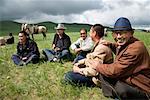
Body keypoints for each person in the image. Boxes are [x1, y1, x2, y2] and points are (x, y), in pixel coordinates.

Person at [87, 17, 150, 99]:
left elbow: (114, 71)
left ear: (131, 33)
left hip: (141, 87)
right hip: (129, 79)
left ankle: (115, 94)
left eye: (123, 33)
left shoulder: (135, 48)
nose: (119, 36)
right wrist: (110, 44)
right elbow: (119, 47)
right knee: (104, 73)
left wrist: (97, 66)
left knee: (120, 88)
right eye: (116, 33)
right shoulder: (129, 42)